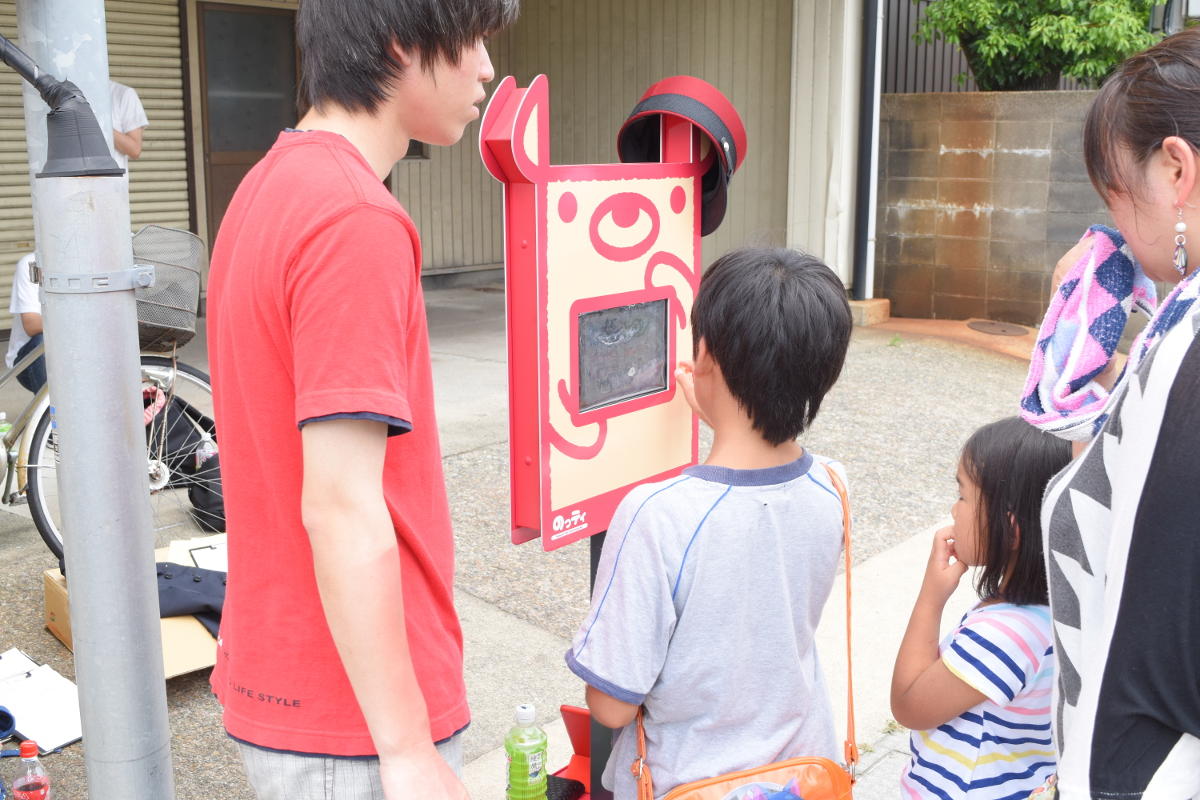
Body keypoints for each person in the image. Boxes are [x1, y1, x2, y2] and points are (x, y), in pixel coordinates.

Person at [205, 1, 516, 798]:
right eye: (473, 40)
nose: (486, 67)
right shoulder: (355, 218)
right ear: (403, 43)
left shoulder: (270, 183)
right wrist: (409, 748)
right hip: (354, 719)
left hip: (289, 673)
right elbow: (341, 504)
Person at [565, 246, 854, 798]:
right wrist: (725, 414)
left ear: (706, 356)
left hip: (690, 782)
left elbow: (611, 705)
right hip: (799, 777)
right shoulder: (833, 486)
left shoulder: (657, 514)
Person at [1018, 27, 1200, 799]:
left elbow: (1143, 650)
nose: (1115, 228)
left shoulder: (1186, 342)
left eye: (1115, 198)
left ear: (1176, 168)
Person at [890, 417, 1070, 799]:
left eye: (963, 496)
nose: (955, 511)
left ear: (1012, 530)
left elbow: (909, 705)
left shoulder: (1005, 634)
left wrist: (930, 597)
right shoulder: (1049, 617)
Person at [5, 253, 44, 393]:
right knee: (44, 342)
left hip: (76, 354)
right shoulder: (32, 263)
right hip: (29, 360)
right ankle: (50, 413)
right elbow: (32, 325)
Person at [109, 80, 148, 173]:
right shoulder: (69, 92)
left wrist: (99, 125)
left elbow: (134, 150)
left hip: (111, 185)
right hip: (72, 184)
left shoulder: (122, 93)